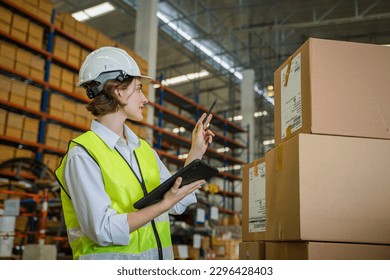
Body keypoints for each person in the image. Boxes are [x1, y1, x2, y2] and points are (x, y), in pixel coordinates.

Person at [55, 46, 214, 260]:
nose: (145, 98)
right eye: (138, 88)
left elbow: (178, 202)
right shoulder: (83, 154)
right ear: (118, 91)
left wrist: (195, 152)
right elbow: (103, 230)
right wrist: (164, 204)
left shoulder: (143, 149)